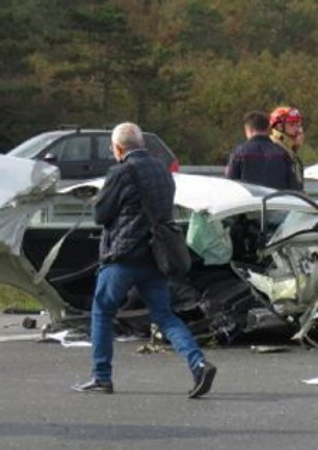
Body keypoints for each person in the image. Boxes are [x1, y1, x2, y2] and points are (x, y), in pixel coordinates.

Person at [72, 122, 216, 398]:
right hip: (156, 256)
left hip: (124, 255)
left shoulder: (120, 171)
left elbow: (101, 215)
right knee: (164, 315)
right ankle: (198, 363)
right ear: (143, 144)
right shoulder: (163, 171)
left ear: (117, 148)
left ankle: (101, 376)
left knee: (102, 310)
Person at [225, 111, 298, 189]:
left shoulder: (239, 153)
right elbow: (292, 186)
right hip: (276, 200)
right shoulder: (282, 153)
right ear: (268, 129)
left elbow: (230, 184)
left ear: (249, 130)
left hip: (250, 200)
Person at [269, 106, 305, 191]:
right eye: (292, 124)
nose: (298, 128)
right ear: (279, 126)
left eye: (298, 124)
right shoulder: (275, 150)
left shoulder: (288, 149)